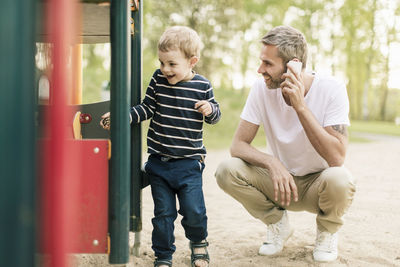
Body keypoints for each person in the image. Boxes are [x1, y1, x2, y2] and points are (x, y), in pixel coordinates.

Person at [215, 25, 356, 262]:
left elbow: (336, 158)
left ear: (294, 65)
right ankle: (278, 224)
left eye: (268, 64)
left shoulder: (332, 89)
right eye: (261, 62)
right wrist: (271, 162)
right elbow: (238, 145)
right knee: (226, 170)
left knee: (341, 179)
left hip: (317, 186)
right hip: (281, 184)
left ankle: (327, 232)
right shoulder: (261, 89)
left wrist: (300, 106)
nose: (261, 70)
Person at [101, 26, 220, 267]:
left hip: (189, 164)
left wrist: (210, 110)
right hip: (159, 163)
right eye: (162, 62)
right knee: (163, 215)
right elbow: (147, 107)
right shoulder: (158, 79)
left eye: (172, 64)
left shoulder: (202, 86)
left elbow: (215, 115)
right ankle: (163, 256)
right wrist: (122, 115)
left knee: (194, 211)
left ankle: (198, 244)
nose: (165, 69)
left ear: (192, 61)